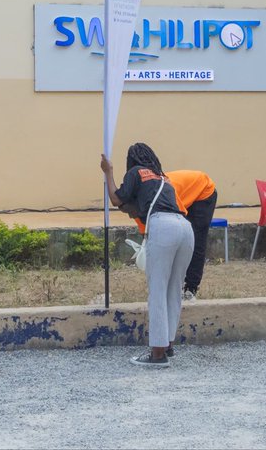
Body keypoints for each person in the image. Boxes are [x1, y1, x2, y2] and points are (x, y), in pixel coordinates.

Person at [101, 143, 194, 368]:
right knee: (174, 290)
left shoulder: (135, 173)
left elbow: (116, 199)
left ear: (132, 161)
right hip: (185, 228)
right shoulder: (163, 178)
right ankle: (168, 346)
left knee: (158, 291)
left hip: (163, 227)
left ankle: (157, 355)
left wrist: (108, 172)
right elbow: (135, 208)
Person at [131, 170, 219, 300]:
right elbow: (148, 239)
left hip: (203, 192)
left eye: (127, 210)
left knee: (195, 241)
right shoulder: (139, 210)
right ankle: (173, 285)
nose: (128, 214)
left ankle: (190, 288)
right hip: (184, 195)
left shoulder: (163, 197)